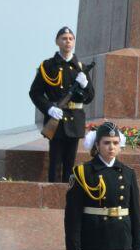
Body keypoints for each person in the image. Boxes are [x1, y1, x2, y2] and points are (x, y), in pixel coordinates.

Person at [29, 27, 94, 184]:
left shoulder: (81, 68)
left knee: (70, 165)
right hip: (56, 121)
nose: (68, 41)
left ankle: (68, 199)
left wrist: (85, 85)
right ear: (57, 42)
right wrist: (49, 108)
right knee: (55, 164)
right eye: (64, 38)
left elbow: (89, 97)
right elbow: (35, 93)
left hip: (74, 119)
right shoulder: (48, 66)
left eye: (71, 38)